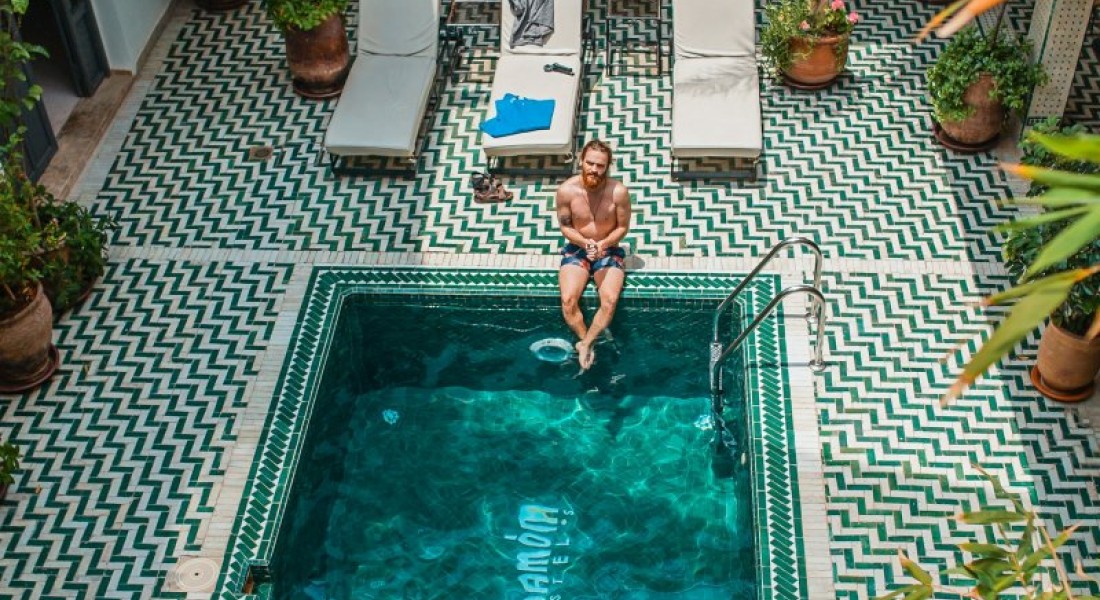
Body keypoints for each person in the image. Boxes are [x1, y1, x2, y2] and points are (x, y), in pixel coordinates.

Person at [556, 139, 632, 370]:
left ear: (607, 166)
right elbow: (565, 226)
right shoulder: (566, 191)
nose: (594, 169)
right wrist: (585, 242)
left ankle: (587, 343)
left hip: (608, 249)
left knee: (609, 301)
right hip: (578, 248)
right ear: (581, 161)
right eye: (590, 163)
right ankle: (585, 342)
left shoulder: (618, 192)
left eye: (600, 166)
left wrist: (603, 244)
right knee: (568, 300)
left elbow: (622, 227)